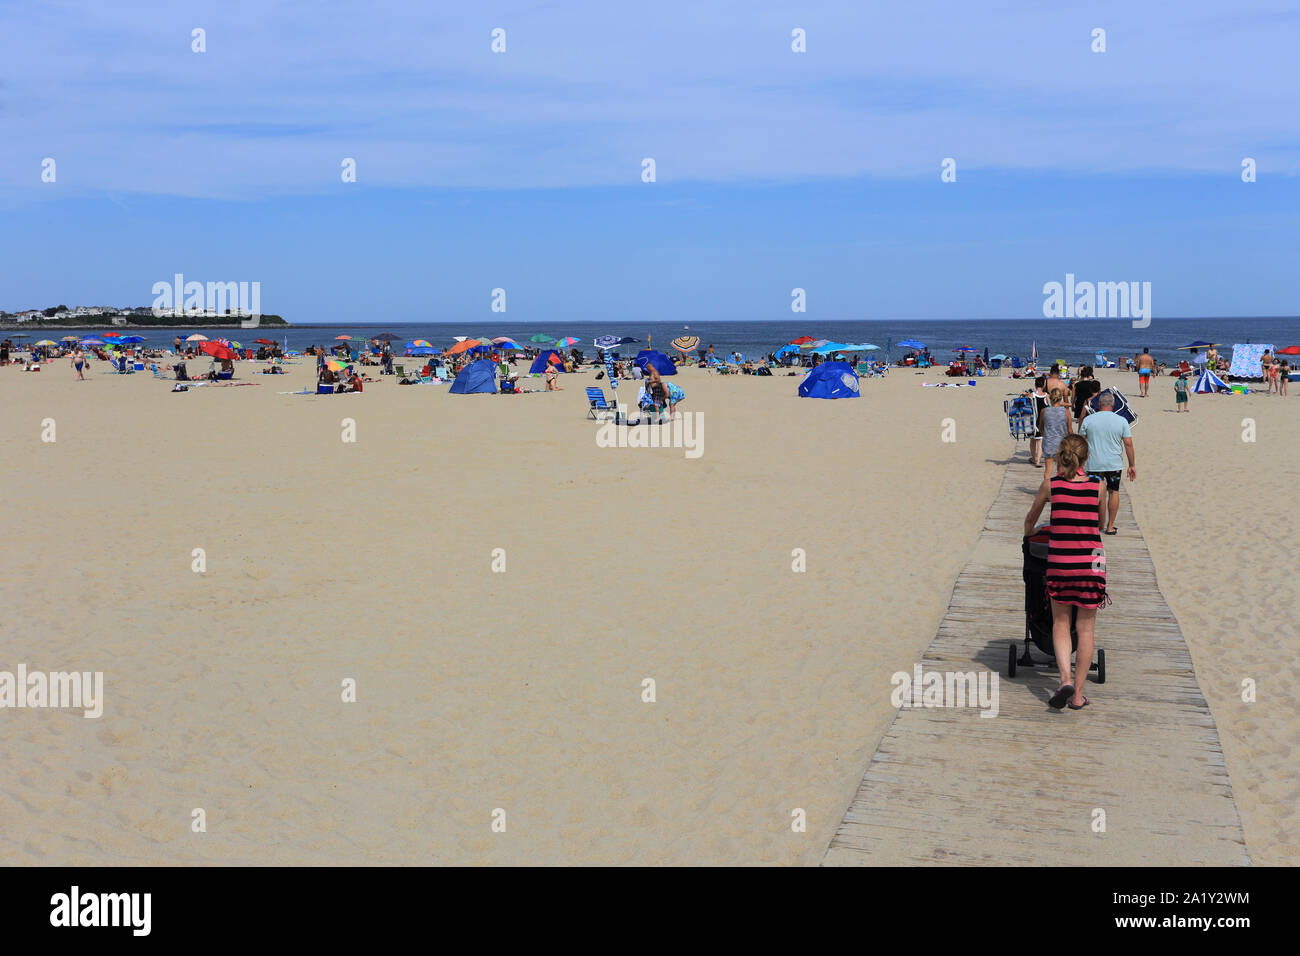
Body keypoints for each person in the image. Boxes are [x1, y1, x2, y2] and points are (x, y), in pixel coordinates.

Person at [1022, 433, 1108, 710]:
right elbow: (1101, 522)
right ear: (1086, 458)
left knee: (1060, 623)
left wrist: (1031, 533)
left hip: (1060, 561)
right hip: (1091, 564)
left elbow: (1030, 518)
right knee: (1085, 628)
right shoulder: (1098, 485)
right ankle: (1078, 695)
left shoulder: (1052, 485)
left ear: (1061, 455)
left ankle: (1064, 679)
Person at [1078, 391, 1135, 536]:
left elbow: (1081, 441)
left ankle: (1094, 526)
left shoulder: (1089, 420)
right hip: (1113, 464)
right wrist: (1132, 465)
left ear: (1099, 404)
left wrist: (1080, 461)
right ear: (1113, 404)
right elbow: (1128, 444)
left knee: (1093, 493)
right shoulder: (1121, 420)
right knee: (1113, 491)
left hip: (1094, 463)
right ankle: (1109, 527)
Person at [1038, 387, 1073, 480]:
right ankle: (1060, 490)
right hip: (1062, 443)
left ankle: (1047, 490)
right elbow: (1070, 430)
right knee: (1061, 470)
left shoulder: (1044, 411)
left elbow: (1040, 428)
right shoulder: (1066, 412)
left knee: (1048, 471)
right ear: (1061, 398)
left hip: (1048, 442)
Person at [1029, 376, 1048, 466]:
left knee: (1033, 440)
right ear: (1044, 385)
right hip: (1042, 422)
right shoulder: (1046, 395)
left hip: (1033, 421)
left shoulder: (1032, 395)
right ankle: (1038, 461)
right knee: (1040, 442)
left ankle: (1033, 458)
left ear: (1035, 384)